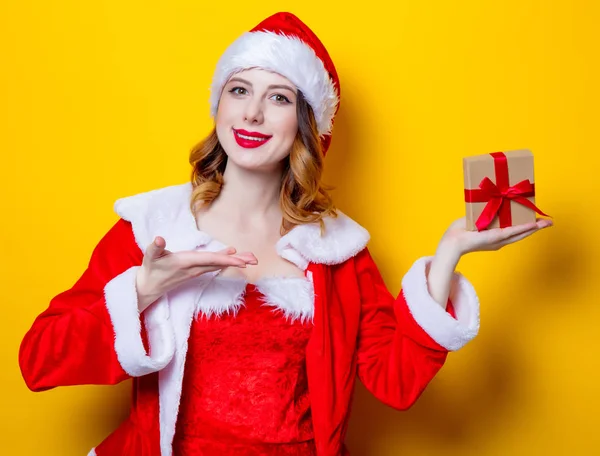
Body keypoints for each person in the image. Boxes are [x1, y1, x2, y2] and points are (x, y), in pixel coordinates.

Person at [18, 11, 553, 456]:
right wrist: (141, 291)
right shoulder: (154, 228)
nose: (252, 111)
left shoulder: (335, 251)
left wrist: (449, 254)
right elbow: (38, 360)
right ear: (219, 104)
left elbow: (395, 379)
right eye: (239, 89)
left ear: (306, 123)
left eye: (278, 97)